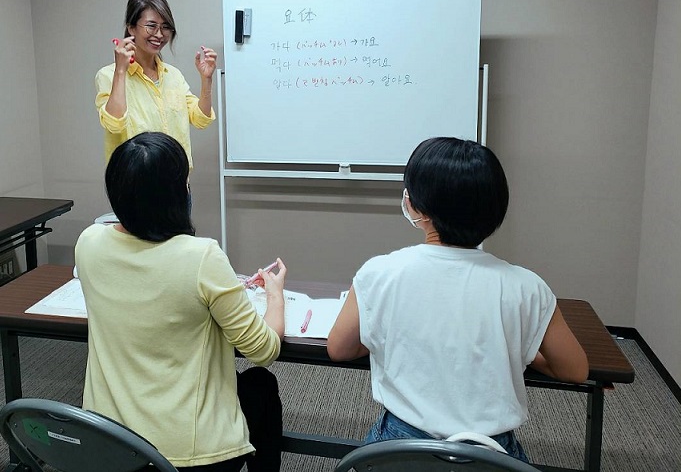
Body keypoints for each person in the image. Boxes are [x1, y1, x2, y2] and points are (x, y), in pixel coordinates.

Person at [327, 137, 588, 462]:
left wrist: (384, 338)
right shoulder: (528, 287)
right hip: (492, 454)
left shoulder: (379, 273)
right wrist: (520, 349)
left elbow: (340, 349)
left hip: (399, 447)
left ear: (415, 205)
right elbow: (575, 369)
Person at [75, 132, 285, 471]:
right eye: (186, 183)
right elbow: (263, 350)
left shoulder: (88, 243)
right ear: (175, 196)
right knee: (261, 383)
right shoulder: (201, 257)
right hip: (186, 458)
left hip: (110, 444)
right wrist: (275, 297)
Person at [95, 0, 217, 169]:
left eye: (166, 27)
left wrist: (207, 80)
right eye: (151, 26)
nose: (159, 34)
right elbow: (114, 124)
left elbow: (201, 119)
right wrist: (120, 70)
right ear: (131, 27)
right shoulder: (108, 75)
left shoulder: (173, 75)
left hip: (176, 178)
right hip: (134, 180)